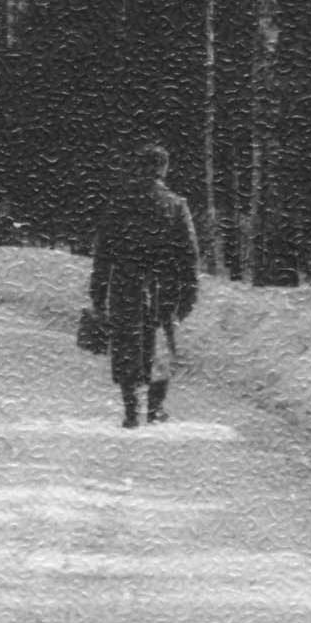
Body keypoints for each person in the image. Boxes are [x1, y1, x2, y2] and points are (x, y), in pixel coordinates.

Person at [88, 144, 201, 428]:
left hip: (126, 283)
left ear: (139, 168)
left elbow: (103, 254)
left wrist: (98, 295)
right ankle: (154, 407)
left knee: (126, 342)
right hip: (163, 284)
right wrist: (189, 292)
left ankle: (130, 408)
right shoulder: (176, 205)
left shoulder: (119, 203)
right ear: (164, 169)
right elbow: (189, 254)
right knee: (160, 342)